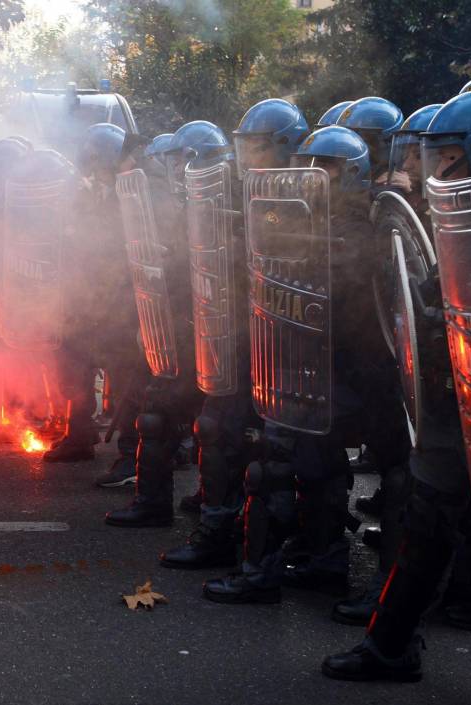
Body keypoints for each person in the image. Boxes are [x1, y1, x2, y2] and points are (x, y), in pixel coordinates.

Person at [324, 90, 471, 694]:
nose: (429, 171)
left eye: (441, 157)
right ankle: (389, 646)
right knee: (426, 521)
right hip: (462, 398)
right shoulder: (467, 212)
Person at [205, 126, 410, 603]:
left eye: (329, 167)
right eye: (310, 165)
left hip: (364, 373)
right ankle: (325, 561)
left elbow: (339, 286)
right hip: (323, 367)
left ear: (353, 172)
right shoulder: (304, 219)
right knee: (318, 465)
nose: (315, 175)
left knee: (277, 463)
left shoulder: (367, 227)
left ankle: (263, 575)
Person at [160, 101, 308, 569]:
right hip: (238, 336)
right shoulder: (233, 192)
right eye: (245, 145)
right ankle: (222, 530)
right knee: (219, 428)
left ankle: (274, 550)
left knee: (277, 456)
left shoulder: (301, 200)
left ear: (285, 148)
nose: (248, 156)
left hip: (284, 344)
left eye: (259, 146)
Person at [104, 122, 220, 528]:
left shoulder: (228, 208)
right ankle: (155, 502)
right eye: (169, 159)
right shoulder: (168, 207)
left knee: (218, 425)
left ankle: (216, 510)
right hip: (182, 329)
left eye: (182, 158)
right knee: (156, 414)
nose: (174, 167)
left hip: (220, 334)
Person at [46, 123, 145, 474]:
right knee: (73, 361)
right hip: (90, 296)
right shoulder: (90, 194)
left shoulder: (133, 196)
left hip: (121, 301)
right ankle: (79, 436)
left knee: (127, 376)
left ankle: (132, 456)